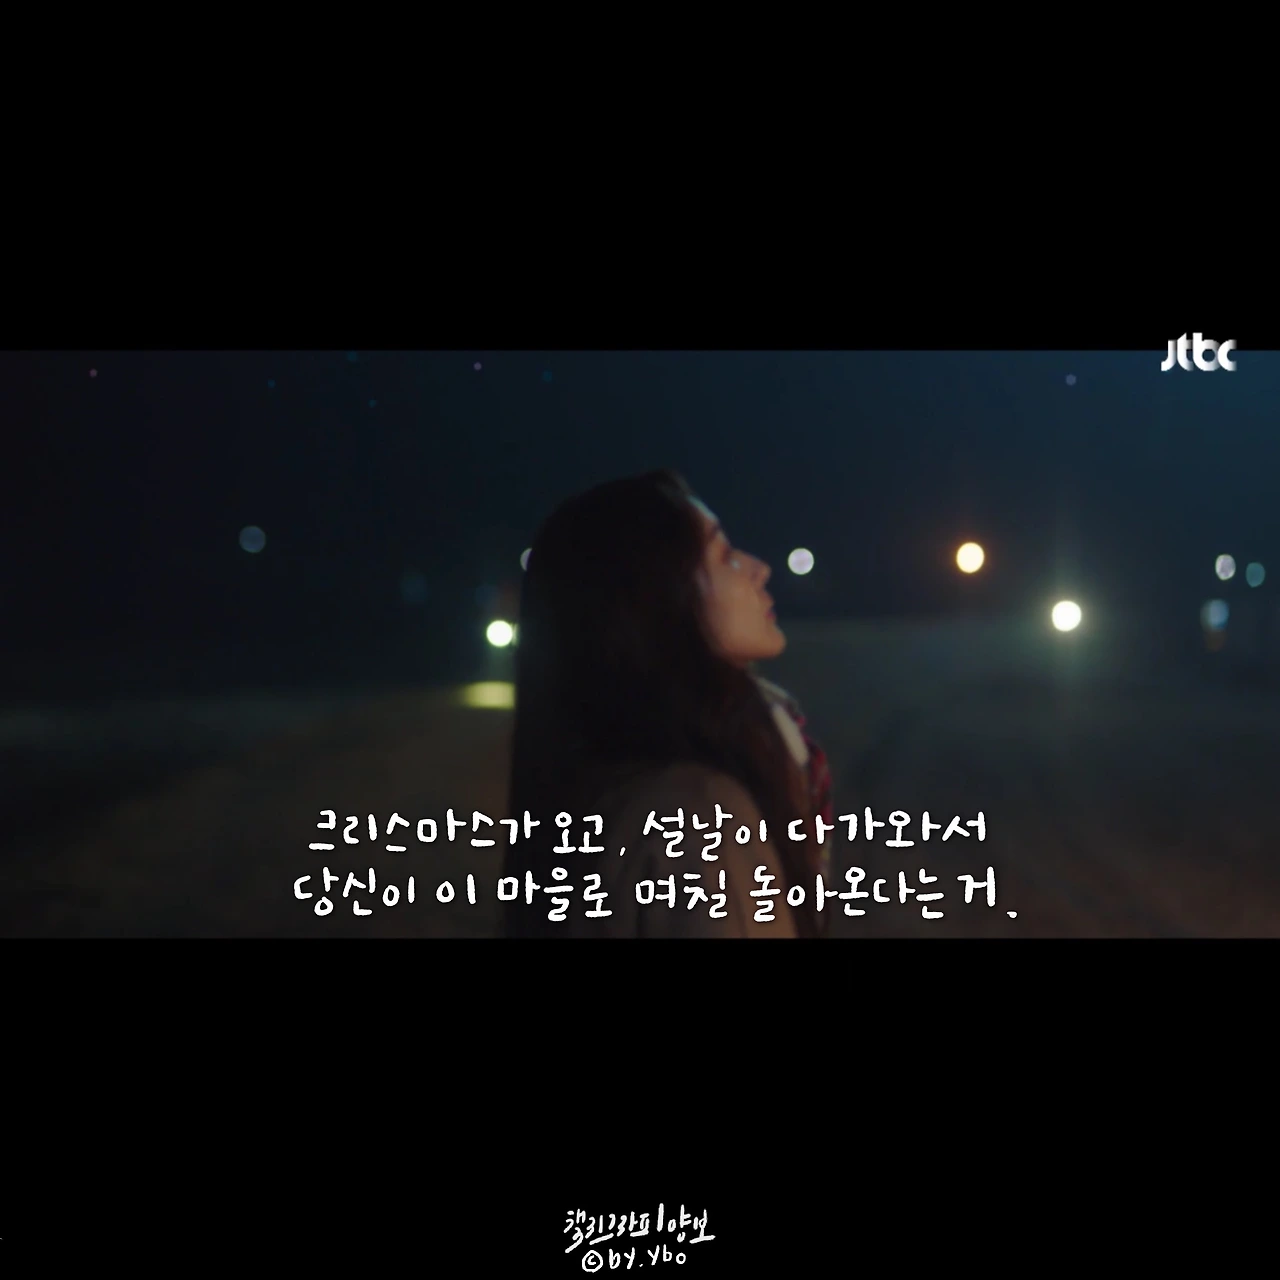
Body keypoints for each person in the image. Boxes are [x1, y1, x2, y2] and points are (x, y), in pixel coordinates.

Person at [500, 470, 833, 938]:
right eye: (724, 557)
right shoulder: (698, 815)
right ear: (655, 601)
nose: (759, 568)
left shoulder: (600, 787)